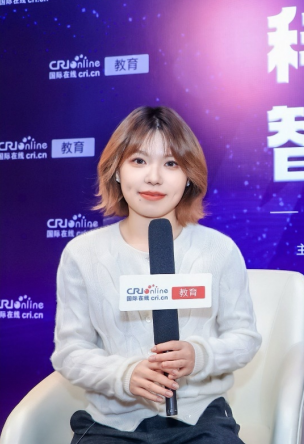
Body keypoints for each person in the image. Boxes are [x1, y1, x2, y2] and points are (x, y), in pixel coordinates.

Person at [51, 106, 261, 444]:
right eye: (138, 161)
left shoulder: (219, 249)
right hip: (111, 423)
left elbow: (245, 338)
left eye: (171, 164)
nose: (154, 177)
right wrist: (124, 374)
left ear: (189, 176)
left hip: (200, 419)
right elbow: (70, 351)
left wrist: (198, 356)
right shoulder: (82, 254)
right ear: (116, 171)